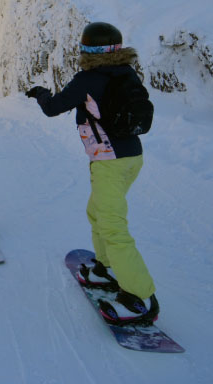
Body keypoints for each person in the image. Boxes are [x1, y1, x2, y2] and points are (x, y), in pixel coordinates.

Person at [25, 21, 159, 325]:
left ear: (86, 50)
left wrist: (41, 93)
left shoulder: (87, 79)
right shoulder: (126, 72)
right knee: (97, 212)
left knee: (112, 225)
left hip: (109, 161)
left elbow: (53, 107)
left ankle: (140, 297)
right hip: (131, 158)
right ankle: (107, 268)